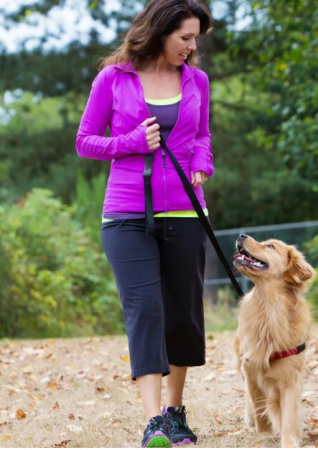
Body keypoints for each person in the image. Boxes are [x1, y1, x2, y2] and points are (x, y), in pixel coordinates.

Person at [74, 0, 213, 447]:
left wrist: (203, 164)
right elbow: (85, 142)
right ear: (159, 31)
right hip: (126, 213)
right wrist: (132, 142)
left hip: (185, 210)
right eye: (185, 37)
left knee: (183, 316)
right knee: (145, 311)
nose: (191, 48)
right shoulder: (113, 79)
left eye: (195, 39)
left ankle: (175, 412)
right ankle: (154, 421)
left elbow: (203, 135)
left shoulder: (197, 81)